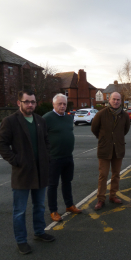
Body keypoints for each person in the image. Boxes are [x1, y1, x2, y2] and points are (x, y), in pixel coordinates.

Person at [0, 90, 55, 255]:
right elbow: (1, 145)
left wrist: (46, 158)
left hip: (41, 171)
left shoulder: (40, 120)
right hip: (22, 173)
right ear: (19, 103)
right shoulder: (10, 121)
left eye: (33, 102)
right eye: (27, 101)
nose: (30, 105)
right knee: (20, 210)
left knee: (39, 206)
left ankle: (39, 232)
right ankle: (21, 241)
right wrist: (16, 161)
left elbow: (46, 141)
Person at [42, 93, 82, 222]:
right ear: (53, 104)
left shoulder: (69, 118)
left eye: (64, 104)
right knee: (52, 185)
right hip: (53, 158)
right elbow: (40, 138)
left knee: (67, 182)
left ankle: (69, 205)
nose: (62, 106)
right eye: (60, 103)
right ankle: (53, 211)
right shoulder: (47, 118)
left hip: (68, 156)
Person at [91, 92, 130, 210]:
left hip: (118, 149)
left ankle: (113, 195)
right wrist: (103, 139)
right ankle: (100, 199)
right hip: (105, 149)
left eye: (118, 99)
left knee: (116, 174)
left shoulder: (125, 115)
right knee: (103, 175)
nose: (116, 101)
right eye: (114, 99)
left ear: (121, 101)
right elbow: (94, 129)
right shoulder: (101, 114)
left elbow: (125, 130)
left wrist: (116, 139)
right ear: (109, 100)